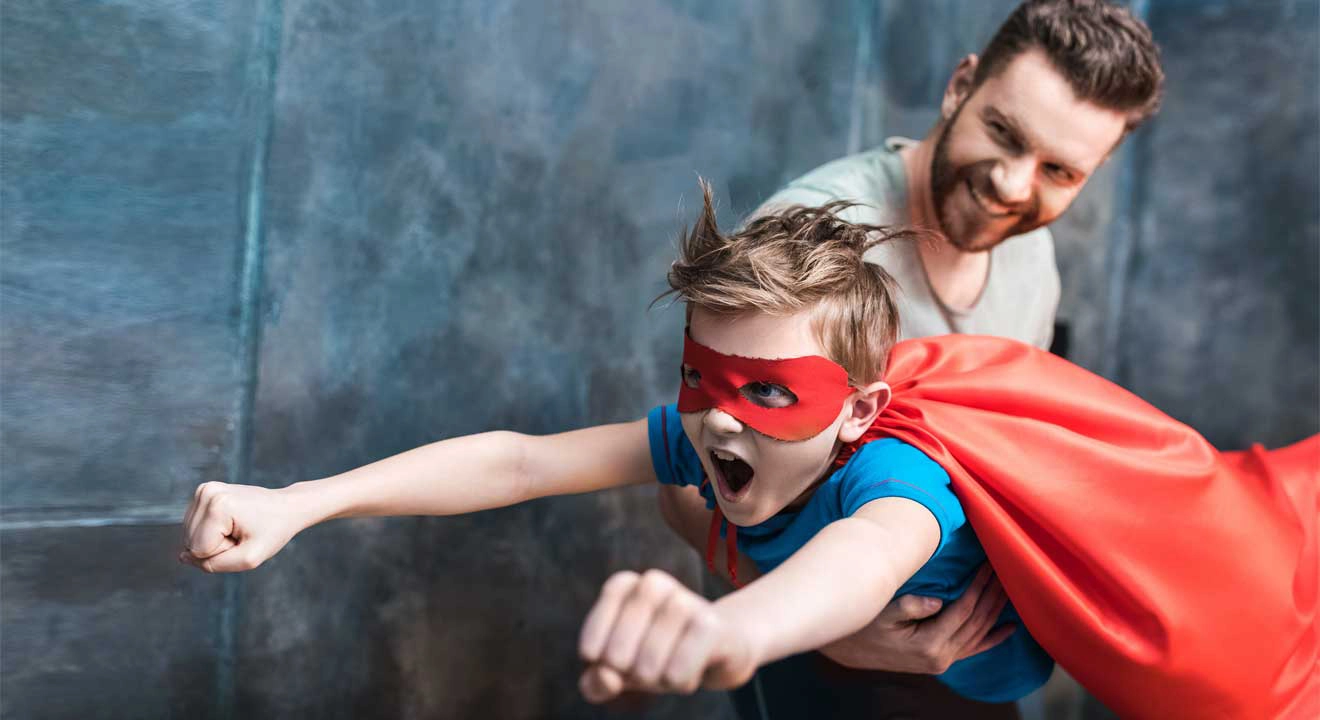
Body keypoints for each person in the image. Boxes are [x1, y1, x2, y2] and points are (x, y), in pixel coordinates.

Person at [179, 194, 1317, 719]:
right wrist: (301, 502)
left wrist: (732, 625)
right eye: (703, 380)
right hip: (786, 676)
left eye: (772, 393)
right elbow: (519, 463)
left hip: (928, 704)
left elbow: (862, 567)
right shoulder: (709, 435)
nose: (722, 421)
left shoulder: (896, 478)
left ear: (861, 407)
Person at [657, 2, 1164, 714]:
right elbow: (682, 479)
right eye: (1004, 133)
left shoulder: (1033, 255)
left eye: (1059, 170)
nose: (1014, 185)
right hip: (812, 654)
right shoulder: (809, 236)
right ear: (961, 87)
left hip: (966, 652)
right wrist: (837, 633)